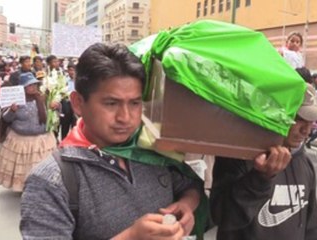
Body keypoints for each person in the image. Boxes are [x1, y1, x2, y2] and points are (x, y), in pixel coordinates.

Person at [20, 43, 204, 239]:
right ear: (78, 103)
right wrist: (131, 237)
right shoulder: (51, 181)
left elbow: (191, 185)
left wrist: (186, 205)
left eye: (134, 103)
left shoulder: (149, 150)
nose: (125, 117)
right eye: (111, 103)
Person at [210, 83, 317, 240]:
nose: (306, 131)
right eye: (299, 119)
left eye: (312, 121)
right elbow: (222, 217)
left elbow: (311, 226)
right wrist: (260, 178)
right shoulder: (241, 157)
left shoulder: (305, 163)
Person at [0, 72, 57, 192]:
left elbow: (53, 113)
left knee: (41, 167)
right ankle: (25, 187)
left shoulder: (43, 98)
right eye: (30, 85)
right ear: (23, 88)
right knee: (24, 168)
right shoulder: (16, 101)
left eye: (35, 84)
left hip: (42, 141)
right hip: (21, 142)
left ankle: (41, 187)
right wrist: (12, 111)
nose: (34, 87)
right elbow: (6, 118)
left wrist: (56, 106)